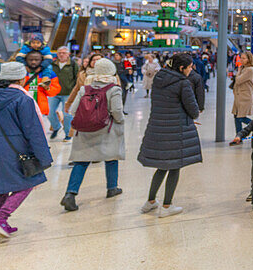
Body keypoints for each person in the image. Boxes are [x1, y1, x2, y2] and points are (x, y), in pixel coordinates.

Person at [0, 61, 53, 241]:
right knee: (31, 180)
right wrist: (44, 157)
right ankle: (0, 218)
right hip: (14, 149)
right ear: (21, 78)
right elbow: (32, 130)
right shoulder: (22, 99)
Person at [138, 52, 201, 218]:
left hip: (158, 128)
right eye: (189, 67)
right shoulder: (183, 83)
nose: (191, 69)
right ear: (181, 68)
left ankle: (150, 201)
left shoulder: (159, 78)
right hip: (176, 130)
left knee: (162, 166)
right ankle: (167, 205)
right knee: (174, 166)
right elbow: (193, 110)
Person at [60, 58, 125, 211]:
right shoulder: (114, 89)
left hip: (85, 131)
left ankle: (70, 194)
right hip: (106, 130)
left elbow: (73, 110)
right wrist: (120, 121)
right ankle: (112, 188)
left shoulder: (85, 88)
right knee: (111, 157)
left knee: (81, 161)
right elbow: (117, 112)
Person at [48, 46, 78, 141]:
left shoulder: (73, 64)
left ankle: (67, 134)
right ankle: (56, 127)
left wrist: (75, 91)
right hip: (54, 93)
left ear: (68, 54)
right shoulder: (52, 64)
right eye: (59, 53)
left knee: (67, 115)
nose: (61, 54)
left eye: (64, 53)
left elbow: (77, 78)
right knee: (49, 112)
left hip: (68, 93)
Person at [22, 49, 61, 120]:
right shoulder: (21, 72)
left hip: (40, 108)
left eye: (36, 60)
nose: (33, 62)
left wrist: (47, 88)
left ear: (41, 61)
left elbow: (55, 90)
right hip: (22, 107)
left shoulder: (49, 74)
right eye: (30, 60)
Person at [231, 51, 253, 138]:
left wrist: (238, 72)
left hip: (245, 96)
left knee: (241, 117)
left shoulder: (250, 69)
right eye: (241, 58)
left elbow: (238, 80)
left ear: (249, 59)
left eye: (244, 58)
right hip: (239, 96)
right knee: (236, 116)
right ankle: (238, 136)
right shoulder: (243, 68)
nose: (241, 60)